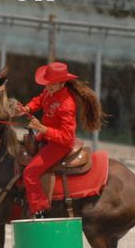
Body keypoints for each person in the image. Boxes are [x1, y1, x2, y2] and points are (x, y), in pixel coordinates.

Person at [16, 62, 105, 218]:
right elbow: (39, 100)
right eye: (47, 83)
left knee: (30, 172)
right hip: (46, 136)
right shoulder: (49, 91)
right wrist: (27, 108)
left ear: (62, 83)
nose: (48, 86)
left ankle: (39, 208)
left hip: (59, 145)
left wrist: (43, 129)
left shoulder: (67, 104)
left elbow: (66, 137)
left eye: (52, 84)